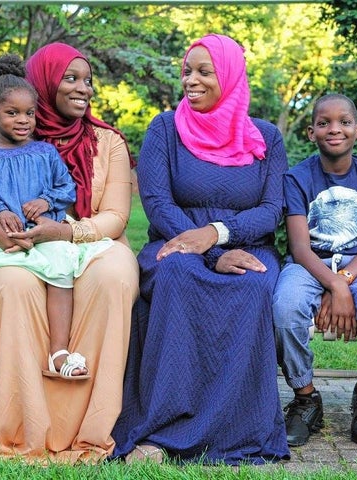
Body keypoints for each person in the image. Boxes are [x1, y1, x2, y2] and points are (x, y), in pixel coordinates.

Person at [0, 43, 139, 463]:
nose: (83, 89)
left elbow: (116, 217)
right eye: (70, 78)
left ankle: (94, 423)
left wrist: (65, 231)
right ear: (44, 83)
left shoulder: (107, 141)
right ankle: (20, 423)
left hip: (93, 242)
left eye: (87, 80)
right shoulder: (6, 136)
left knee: (112, 279)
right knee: (10, 284)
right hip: (18, 243)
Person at [111, 34, 290, 465]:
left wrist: (217, 235)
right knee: (176, 276)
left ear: (229, 76)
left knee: (252, 286)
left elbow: (272, 210)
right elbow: (156, 202)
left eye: (204, 72)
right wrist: (207, 251)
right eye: (187, 71)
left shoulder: (265, 137)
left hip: (245, 245)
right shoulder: (165, 129)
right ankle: (162, 431)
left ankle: (233, 431)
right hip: (174, 244)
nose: (192, 80)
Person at [273, 93, 357, 448]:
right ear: (311, 132)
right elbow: (300, 248)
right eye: (324, 123)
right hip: (308, 264)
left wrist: (344, 282)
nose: (335, 129)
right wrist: (335, 284)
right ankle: (306, 398)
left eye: (344, 122)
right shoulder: (297, 177)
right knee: (284, 310)